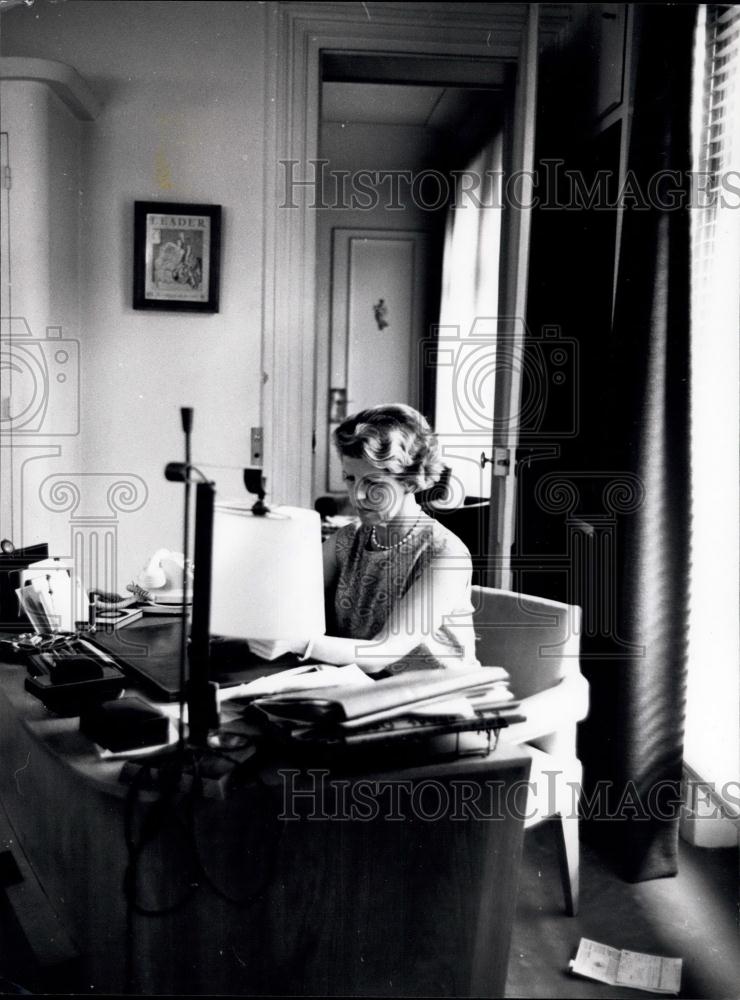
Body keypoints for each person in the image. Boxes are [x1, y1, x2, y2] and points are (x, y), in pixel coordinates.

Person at [284, 404, 480, 676]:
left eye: (373, 482)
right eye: (350, 478)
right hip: (366, 686)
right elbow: (288, 589)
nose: (357, 495)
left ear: (409, 481)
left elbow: (384, 651)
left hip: (439, 693)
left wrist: (296, 642)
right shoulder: (347, 539)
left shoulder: (446, 555)